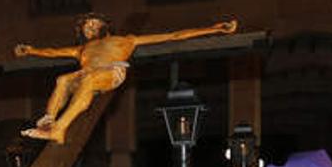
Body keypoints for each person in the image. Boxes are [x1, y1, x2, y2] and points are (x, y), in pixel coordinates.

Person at [13, 14, 235, 142]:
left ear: (104, 25)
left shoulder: (125, 40)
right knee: (63, 80)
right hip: (87, 74)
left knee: (88, 81)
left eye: (93, 23)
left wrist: (215, 29)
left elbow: (173, 35)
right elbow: (52, 51)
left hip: (111, 72)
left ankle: (60, 129)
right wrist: (31, 51)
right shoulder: (82, 49)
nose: (90, 28)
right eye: (86, 28)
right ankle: (49, 120)